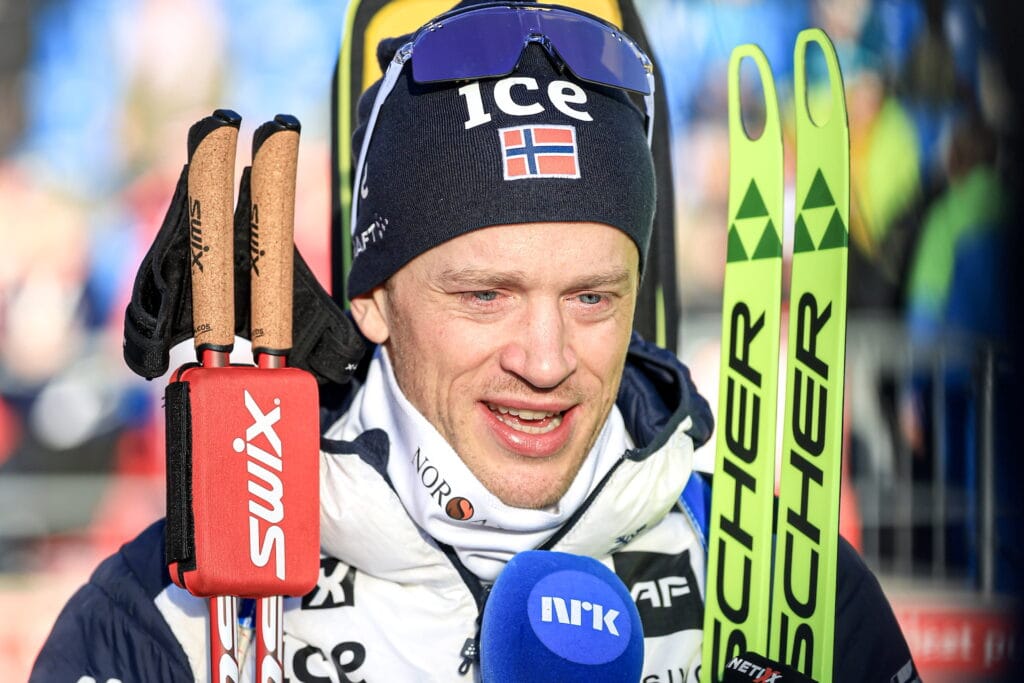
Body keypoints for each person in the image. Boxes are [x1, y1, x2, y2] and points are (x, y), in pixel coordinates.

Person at [32, 4, 918, 681]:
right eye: (486, 294)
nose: (544, 357)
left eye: (592, 296)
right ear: (373, 300)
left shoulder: (779, 578)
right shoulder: (165, 613)